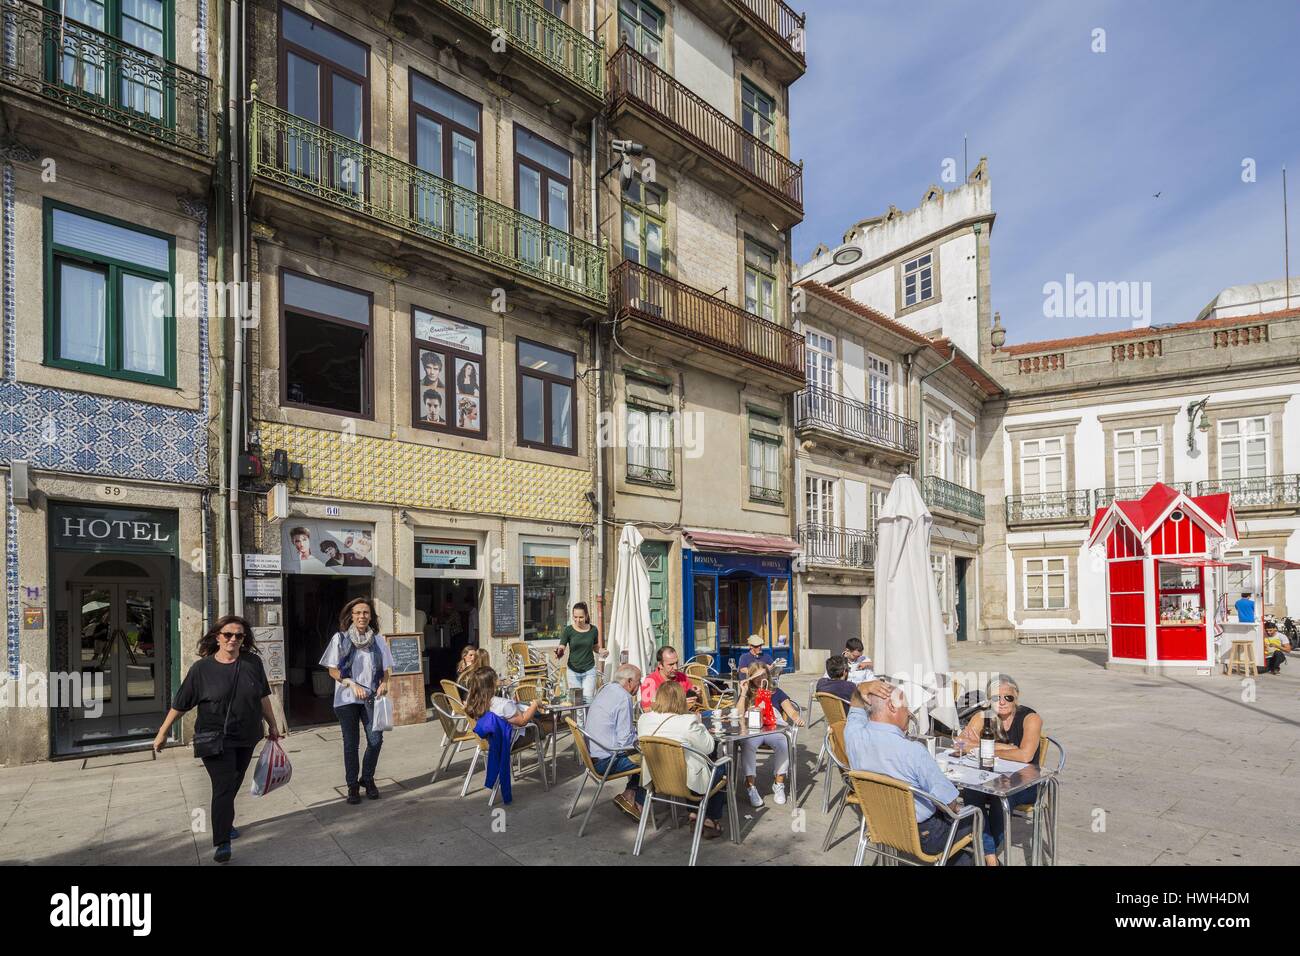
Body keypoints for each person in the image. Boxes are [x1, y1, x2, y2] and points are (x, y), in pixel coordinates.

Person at [153, 615, 282, 864]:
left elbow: (263, 696)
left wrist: (273, 723)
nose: (233, 639)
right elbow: (181, 704)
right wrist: (162, 732)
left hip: (247, 735)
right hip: (215, 738)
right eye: (228, 635)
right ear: (217, 636)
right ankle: (223, 841)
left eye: (239, 636)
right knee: (223, 785)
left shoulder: (252, 662)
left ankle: (225, 819)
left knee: (235, 780)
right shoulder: (202, 669)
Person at [845, 684, 998, 865]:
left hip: (880, 826)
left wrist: (861, 688)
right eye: (906, 708)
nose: (910, 714)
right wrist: (958, 808)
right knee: (975, 816)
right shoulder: (913, 751)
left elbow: (855, 707)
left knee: (961, 849)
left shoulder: (853, 736)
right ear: (892, 707)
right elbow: (949, 803)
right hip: (923, 835)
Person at [954, 675, 1042, 853]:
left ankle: (983, 851)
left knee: (999, 798)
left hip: (1025, 783)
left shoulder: (1030, 718)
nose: (1001, 702)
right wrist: (1006, 747)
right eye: (995, 698)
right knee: (971, 792)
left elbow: (1025, 756)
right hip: (989, 777)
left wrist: (982, 746)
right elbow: (959, 744)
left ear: (1016, 697)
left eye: (1007, 697)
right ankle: (990, 858)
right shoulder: (983, 716)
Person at [320, 597, 393, 804]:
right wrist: (351, 684)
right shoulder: (340, 639)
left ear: (371, 616)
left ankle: (367, 778)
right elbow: (333, 670)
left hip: (371, 698)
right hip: (346, 699)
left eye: (366, 613)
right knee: (351, 744)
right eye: (358, 613)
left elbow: (387, 669)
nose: (362, 616)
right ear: (351, 616)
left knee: (376, 740)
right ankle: (352, 785)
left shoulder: (378, 640)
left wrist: (384, 683)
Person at [636, 681, 727, 839]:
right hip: (684, 781)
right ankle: (709, 818)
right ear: (681, 699)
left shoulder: (644, 719)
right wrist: (700, 724)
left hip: (656, 778)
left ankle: (694, 813)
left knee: (692, 766)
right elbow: (709, 747)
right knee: (721, 766)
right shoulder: (687, 721)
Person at [734, 663, 803, 807]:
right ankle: (750, 786)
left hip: (773, 727)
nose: (760, 679)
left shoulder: (776, 692)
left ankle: (779, 784)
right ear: (751, 677)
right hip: (753, 729)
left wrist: (797, 718)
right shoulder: (748, 692)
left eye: (763, 675)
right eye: (757, 676)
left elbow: (790, 710)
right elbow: (738, 714)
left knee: (783, 744)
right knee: (747, 744)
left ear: (768, 675)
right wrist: (743, 692)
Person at [584, 664, 645, 818]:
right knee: (652, 758)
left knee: (642, 753)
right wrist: (643, 739)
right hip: (606, 763)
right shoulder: (624, 697)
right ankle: (639, 803)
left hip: (592, 757)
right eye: (639, 681)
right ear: (630, 682)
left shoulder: (606, 689)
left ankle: (629, 793)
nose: (640, 685)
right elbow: (625, 742)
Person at [555, 602, 602, 702]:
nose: (578, 620)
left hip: (589, 670)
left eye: (581, 617)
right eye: (575, 617)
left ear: (586, 616)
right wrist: (559, 652)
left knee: (588, 701)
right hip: (573, 671)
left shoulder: (593, 630)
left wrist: (602, 651)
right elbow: (562, 646)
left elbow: (595, 647)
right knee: (577, 703)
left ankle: (588, 718)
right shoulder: (568, 630)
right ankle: (578, 719)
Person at [640, 645, 695, 710]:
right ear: (660, 665)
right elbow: (647, 709)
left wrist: (696, 694)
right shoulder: (649, 682)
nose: (675, 668)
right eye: (671, 664)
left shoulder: (682, 677)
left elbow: (693, 701)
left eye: (676, 663)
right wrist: (680, 704)